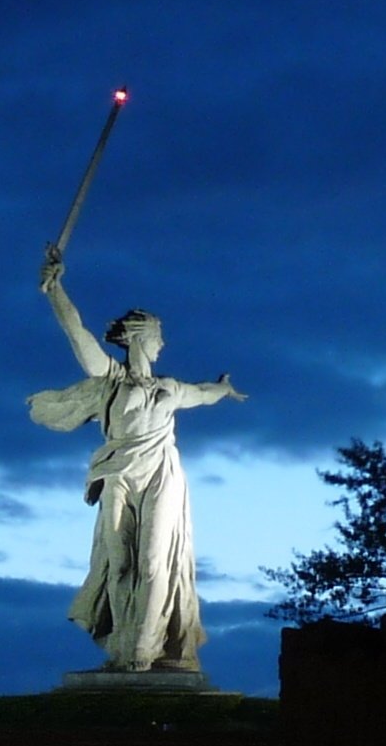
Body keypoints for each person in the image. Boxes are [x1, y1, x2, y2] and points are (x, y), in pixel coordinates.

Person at [32, 253, 245, 672]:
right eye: (158, 337)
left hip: (161, 474)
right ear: (139, 338)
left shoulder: (169, 389)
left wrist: (223, 389)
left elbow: (203, 392)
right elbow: (78, 335)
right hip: (118, 472)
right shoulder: (110, 379)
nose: (163, 345)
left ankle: (141, 654)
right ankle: (121, 646)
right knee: (119, 562)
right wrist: (56, 290)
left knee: (153, 560)